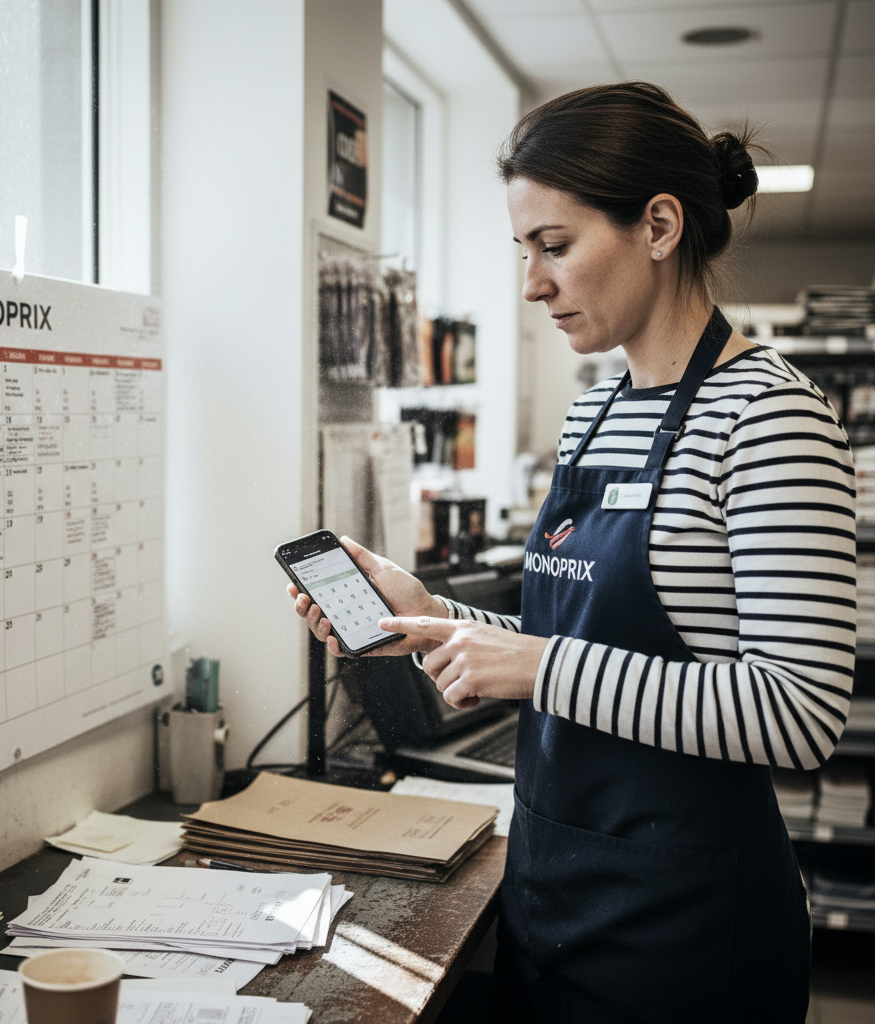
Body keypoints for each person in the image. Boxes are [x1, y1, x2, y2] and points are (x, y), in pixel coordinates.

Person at [287, 82, 855, 1023]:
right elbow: (567, 635)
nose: (532, 283)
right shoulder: (595, 411)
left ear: (660, 225)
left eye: (556, 246)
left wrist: (543, 666)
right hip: (553, 888)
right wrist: (430, 618)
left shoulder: (771, 418)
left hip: (689, 928)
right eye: (524, 250)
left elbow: (799, 715)